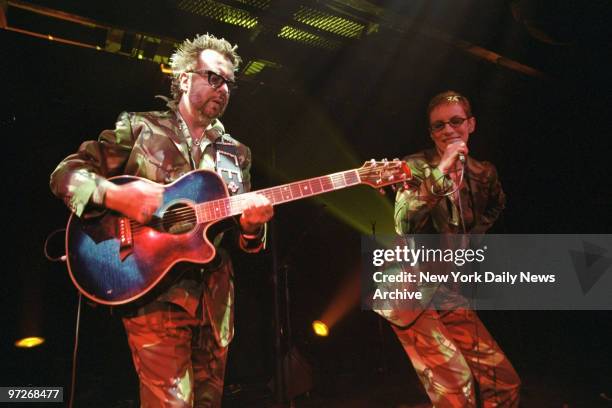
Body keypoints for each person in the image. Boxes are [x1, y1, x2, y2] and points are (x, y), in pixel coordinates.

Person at [50, 34, 273, 407]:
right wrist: (114, 193)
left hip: (216, 306)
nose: (223, 89)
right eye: (214, 78)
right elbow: (65, 175)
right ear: (185, 78)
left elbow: (239, 237)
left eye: (229, 83)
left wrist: (251, 228)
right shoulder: (139, 128)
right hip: (154, 294)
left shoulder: (237, 153)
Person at [380, 91, 520, 407]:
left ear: (471, 124)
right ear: (432, 133)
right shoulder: (413, 167)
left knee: (505, 382)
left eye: (456, 121)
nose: (448, 130)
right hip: (407, 290)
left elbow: (497, 205)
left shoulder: (483, 173)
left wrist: (473, 238)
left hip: (446, 290)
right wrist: (441, 169)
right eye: (439, 126)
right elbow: (405, 221)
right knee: (457, 390)